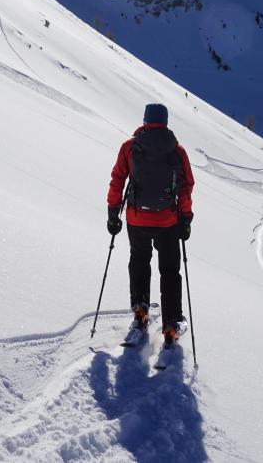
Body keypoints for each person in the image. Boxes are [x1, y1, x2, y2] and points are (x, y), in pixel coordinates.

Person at [107, 103, 195, 345]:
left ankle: (140, 312)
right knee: (169, 271)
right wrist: (185, 218)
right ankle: (171, 325)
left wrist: (113, 212)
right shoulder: (177, 151)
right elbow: (186, 186)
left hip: (137, 218)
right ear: (165, 122)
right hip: (168, 221)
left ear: (145, 120)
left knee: (139, 260)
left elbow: (117, 178)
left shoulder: (130, 147)